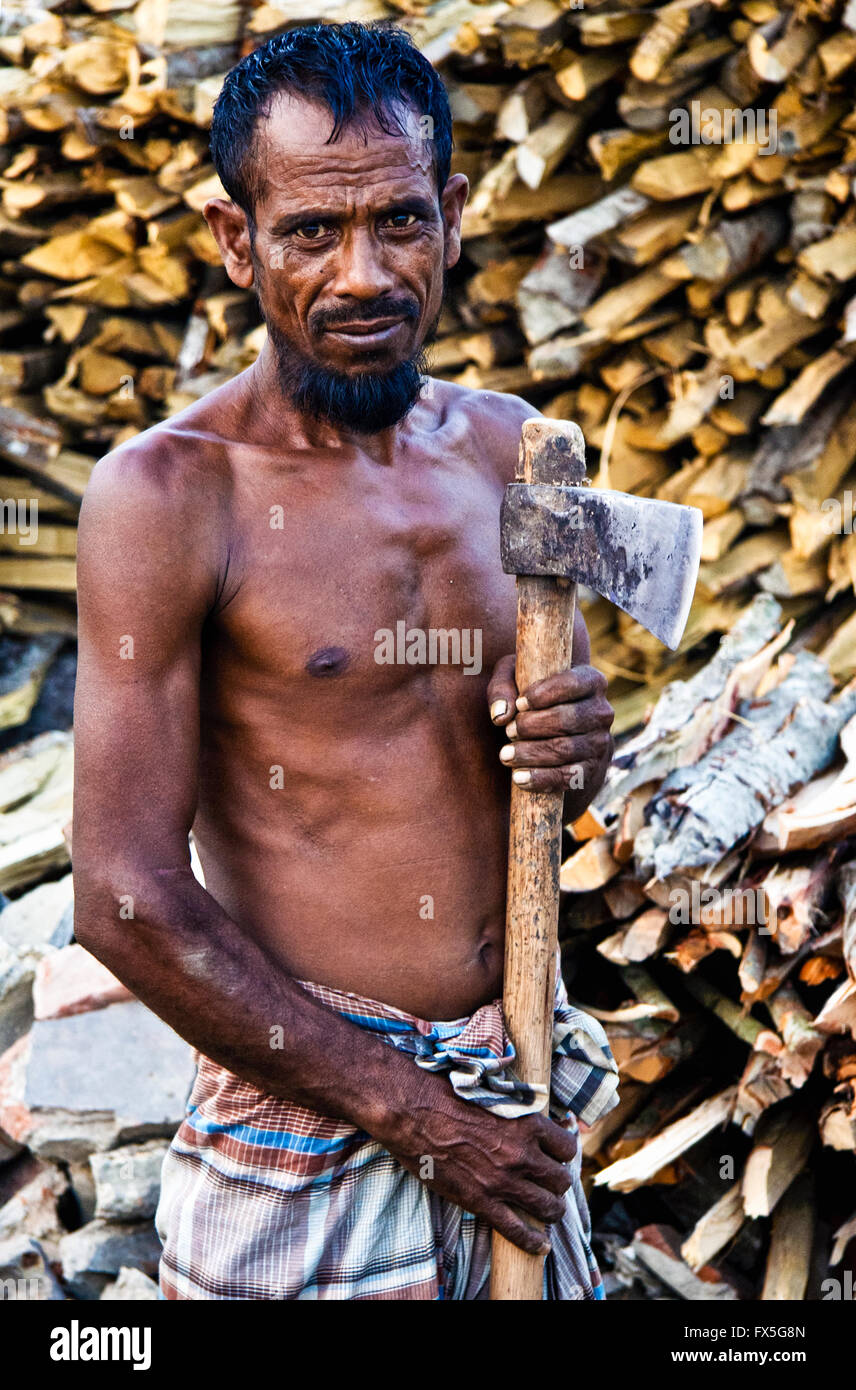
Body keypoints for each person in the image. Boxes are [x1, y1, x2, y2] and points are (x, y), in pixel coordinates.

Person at [72, 22, 619, 1301]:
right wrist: (421, 1116)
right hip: (312, 1114)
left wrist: (573, 748)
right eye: (311, 231)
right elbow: (124, 895)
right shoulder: (166, 496)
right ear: (233, 239)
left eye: (400, 221)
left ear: (456, 213)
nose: (364, 273)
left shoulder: (518, 451)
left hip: (515, 1075)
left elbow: (559, 764)